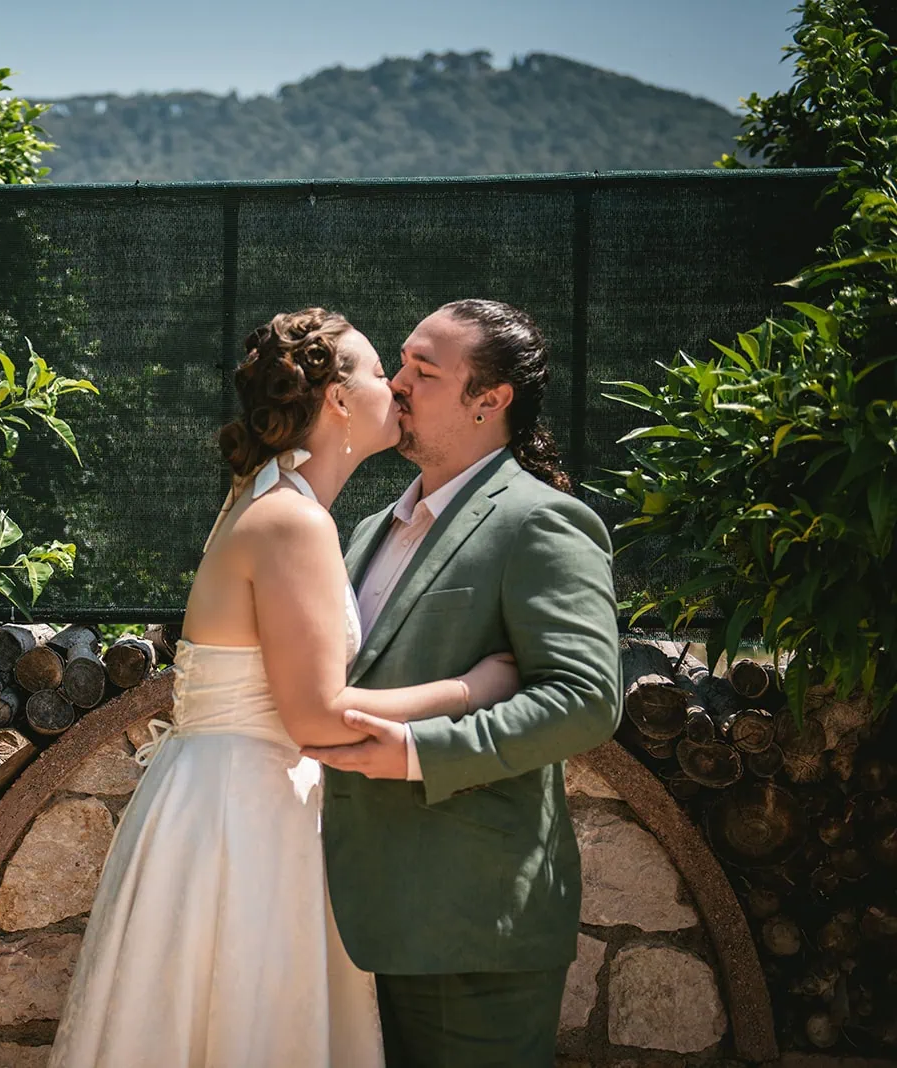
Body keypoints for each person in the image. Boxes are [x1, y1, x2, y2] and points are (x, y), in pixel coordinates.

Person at [48, 308, 521, 1068]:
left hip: (223, 800)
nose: (398, 386)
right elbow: (318, 716)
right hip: (246, 819)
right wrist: (473, 686)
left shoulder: (271, 503)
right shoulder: (294, 523)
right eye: (380, 372)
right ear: (337, 399)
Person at [304, 299, 622, 1068]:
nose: (397, 382)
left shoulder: (542, 523)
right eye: (401, 363)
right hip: (345, 917)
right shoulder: (366, 530)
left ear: (490, 399)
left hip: (469, 925)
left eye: (424, 370)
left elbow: (585, 699)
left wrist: (422, 752)